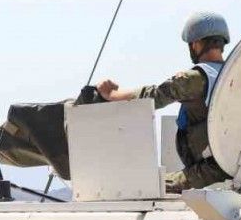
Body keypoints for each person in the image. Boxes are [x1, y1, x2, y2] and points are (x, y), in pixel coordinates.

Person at [95, 11, 231, 192]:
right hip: (236, 167)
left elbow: (153, 96)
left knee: (145, 186)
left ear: (196, 44)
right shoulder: (234, 75)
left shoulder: (194, 79)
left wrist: (112, 95)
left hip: (208, 172)